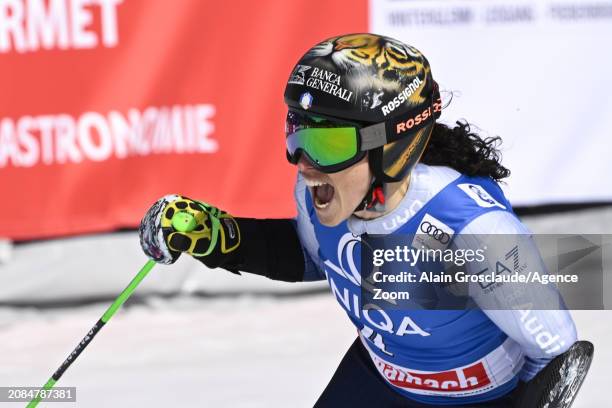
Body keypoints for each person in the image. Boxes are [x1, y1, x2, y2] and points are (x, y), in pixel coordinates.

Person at [139, 34, 579, 407]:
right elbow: (314, 256)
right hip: (379, 379)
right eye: (297, 134)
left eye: (328, 145)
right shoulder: (323, 195)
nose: (305, 165)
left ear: (390, 148)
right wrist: (219, 237)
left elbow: (558, 353)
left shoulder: (474, 230)